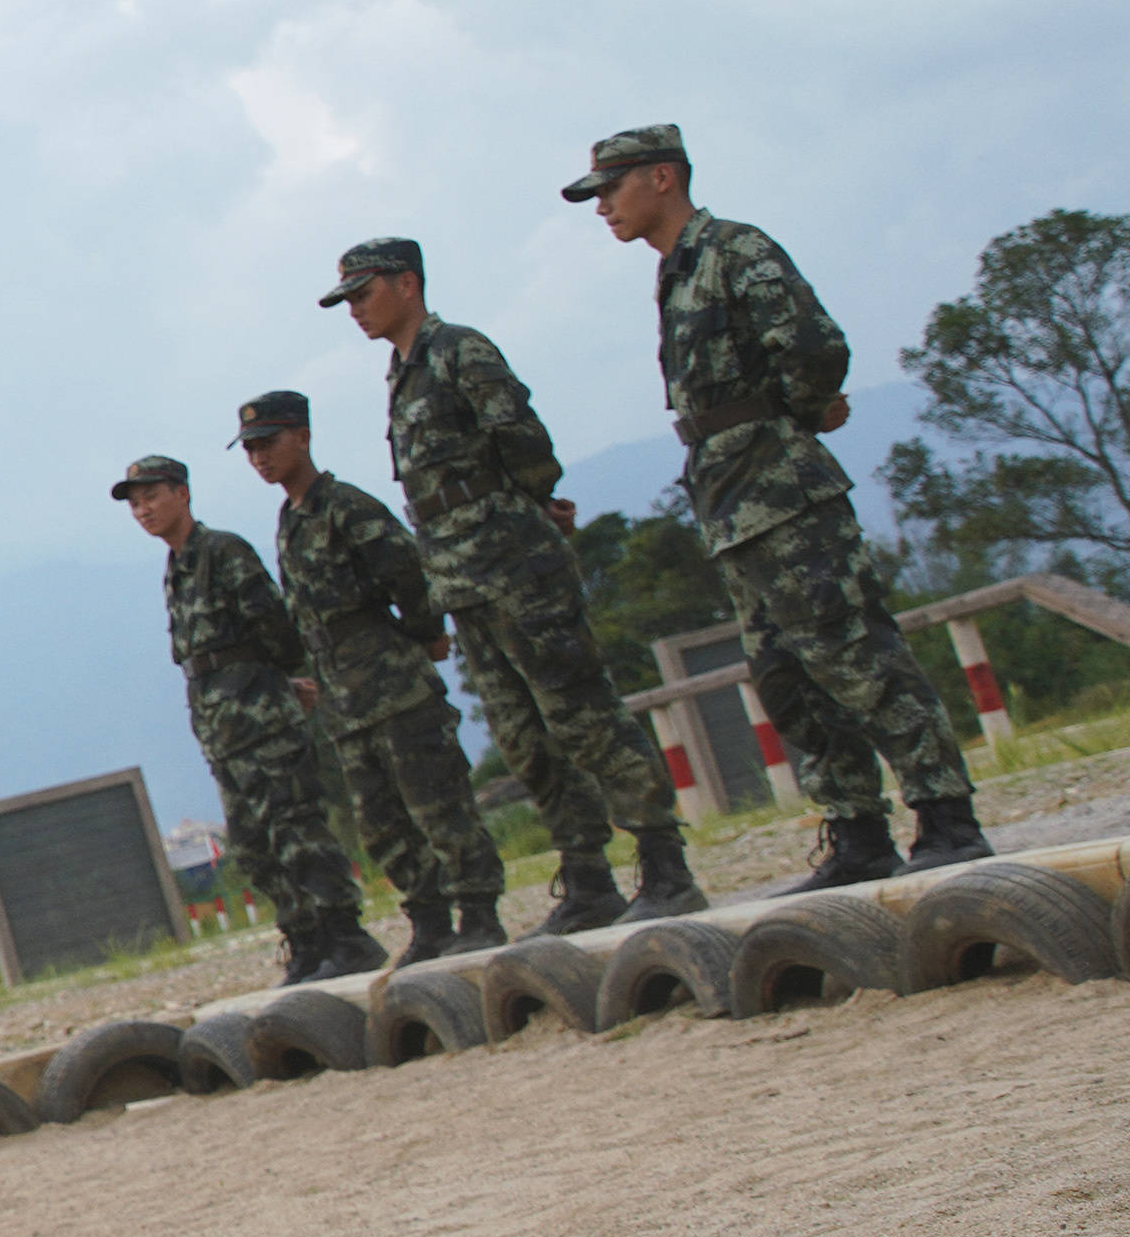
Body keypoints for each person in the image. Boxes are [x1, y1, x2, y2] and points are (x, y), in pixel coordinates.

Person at [570, 127, 990, 888]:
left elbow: (815, 345)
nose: (602, 207)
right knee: (786, 674)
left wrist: (788, 418)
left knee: (852, 649)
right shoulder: (675, 274)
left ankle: (946, 812)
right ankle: (858, 830)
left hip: (783, 492)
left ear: (662, 177)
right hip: (731, 503)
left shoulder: (735, 249)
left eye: (611, 187)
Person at [325, 237, 703, 928]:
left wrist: (525, 510)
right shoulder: (401, 373)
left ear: (407, 284)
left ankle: (663, 860)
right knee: (524, 735)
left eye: (363, 292)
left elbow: (526, 446)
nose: (353, 309)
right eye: (346, 298)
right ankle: (587, 875)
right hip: (461, 580)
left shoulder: (460, 351)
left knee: (581, 713)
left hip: (515, 568)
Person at [239, 390, 509, 961]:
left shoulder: (345, 507)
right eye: (251, 449)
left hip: (393, 684)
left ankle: (479, 911)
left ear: (303, 437)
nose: (259, 457)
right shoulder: (291, 519)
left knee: (440, 805)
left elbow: (407, 573)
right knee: (381, 823)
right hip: (345, 698)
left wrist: (425, 634)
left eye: (270, 443)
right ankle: (430, 920)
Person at [117, 453, 379, 983]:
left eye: (151, 496)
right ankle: (305, 939)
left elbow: (274, 626)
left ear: (182, 493)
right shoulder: (178, 567)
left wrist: (278, 683)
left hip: (261, 717)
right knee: (255, 847)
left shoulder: (222, 551)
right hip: (223, 728)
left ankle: (347, 937)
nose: (142, 509)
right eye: (135, 503)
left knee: (296, 829)